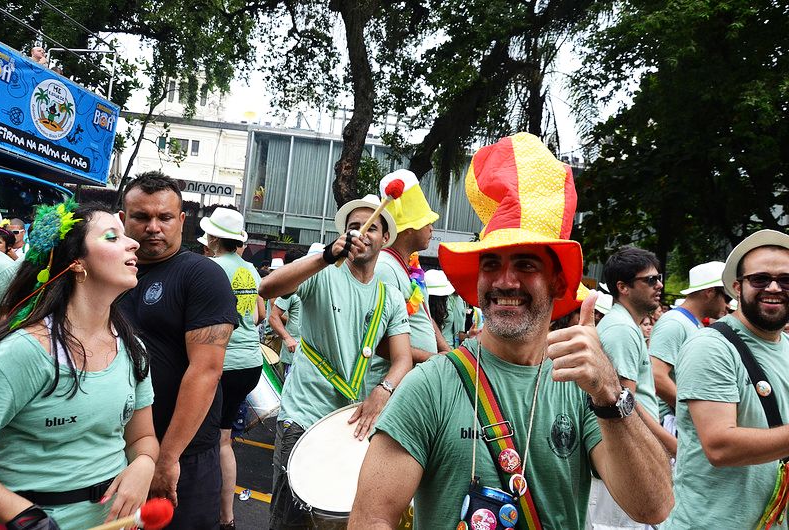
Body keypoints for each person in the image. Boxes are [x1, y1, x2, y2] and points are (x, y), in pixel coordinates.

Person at [350, 132, 673, 529]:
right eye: (491, 265)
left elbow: (654, 506)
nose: (504, 281)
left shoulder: (582, 388)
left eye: (525, 264)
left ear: (557, 283)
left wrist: (609, 391)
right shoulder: (429, 386)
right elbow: (371, 517)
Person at [0, 201, 158, 530]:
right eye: (112, 237)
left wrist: (145, 464)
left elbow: (143, 437)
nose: (133, 242)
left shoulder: (133, 349)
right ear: (77, 263)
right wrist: (24, 518)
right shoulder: (23, 353)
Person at [259, 194, 412, 529]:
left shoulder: (391, 297)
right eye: (354, 227)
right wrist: (325, 256)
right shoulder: (322, 273)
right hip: (302, 418)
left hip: (349, 424)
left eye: (371, 227)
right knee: (290, 521)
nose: (362, 233)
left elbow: (403, 359)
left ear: (385, 238)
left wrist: (383, 391)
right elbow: (267, 289)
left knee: (341, 518)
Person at [118, 172, 238, 530]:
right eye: (141, 217)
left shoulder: (202, 275)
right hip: (116, 448)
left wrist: (166, 457)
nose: (153, 227)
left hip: (182, 453)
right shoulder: (111, 273)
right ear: (123, 220)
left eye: (164, 217)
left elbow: (206, 370)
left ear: (181, 221)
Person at [664, 230, 789, 529]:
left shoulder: (786, 347)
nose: (773, 287)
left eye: (786, 280)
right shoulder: (711, 346)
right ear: (736, 287)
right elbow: (720, 446)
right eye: (760, 279)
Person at [587, 247, 674, 530]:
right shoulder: (621, 329)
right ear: (622, 287)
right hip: (624, 456)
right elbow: (624, 405)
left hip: (634, 451)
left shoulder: (627, 326)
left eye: (659, 277)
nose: (659, 285)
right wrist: (671, 445)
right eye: (650, 280)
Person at [199, 207, 266, 530]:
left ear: (212, 237)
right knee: (224, 438)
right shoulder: (251, 271)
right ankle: (226, 517)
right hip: (251, 363)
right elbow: (259, 315)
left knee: (212, 440)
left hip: (222, 364)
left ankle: (217, 516)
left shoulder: (209, 269)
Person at [375, 171, 450, 359]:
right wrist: (434, 359)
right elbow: (378, 342)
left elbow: (423, 316)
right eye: (426, 223)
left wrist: (447, 352)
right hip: (390, 383)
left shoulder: (408, 266)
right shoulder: (384, 268)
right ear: (408, 230)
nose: (432, 228)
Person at [650, 261, 727, 435]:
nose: (728, 304)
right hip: (671, 424)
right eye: (727, 297)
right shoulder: (674, 323)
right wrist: (697, 412)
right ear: (710, 292)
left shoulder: (691, 323)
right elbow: (656, 376)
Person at [269, 249, 306, 377]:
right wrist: (287, 338)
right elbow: (273, 316)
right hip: (292, 350)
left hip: (312, 357)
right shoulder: (292, 287)